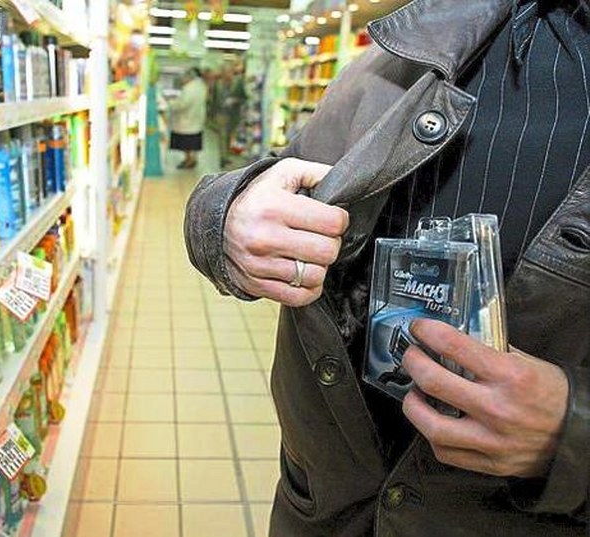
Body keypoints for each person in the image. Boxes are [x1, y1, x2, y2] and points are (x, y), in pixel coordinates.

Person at [184, 1, 590, 536]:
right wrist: (224, 218)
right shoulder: (428, 34)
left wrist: (572, 435)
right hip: (325, 507)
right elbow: (281, 175)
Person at [169, 67, 208, 169]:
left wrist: (171, 104)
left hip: (187, 121)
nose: (182, 80)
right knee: (193, 142)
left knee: (187, 143)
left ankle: (189, 160)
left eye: (183, 78)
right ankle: (192, 159)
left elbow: (182, 104)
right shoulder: (200, 86)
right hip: (196, 118)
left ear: (188, 78)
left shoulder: (189, 89)